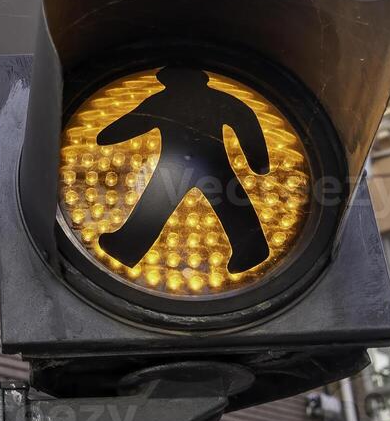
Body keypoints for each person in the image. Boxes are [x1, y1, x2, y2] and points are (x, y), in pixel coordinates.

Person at [95, 67, 271, 275]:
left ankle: (127, 247)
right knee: (229, 201)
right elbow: (245, 120)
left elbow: (133, 122)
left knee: (156, 205)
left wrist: (106, 136)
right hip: (209, 161)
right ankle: (252, 249)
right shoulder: (217, 99)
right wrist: (258, 161)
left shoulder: (162, 101)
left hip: (176, 166)